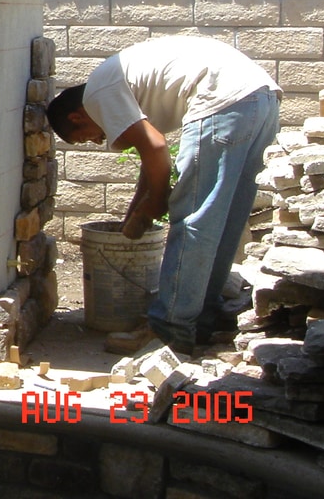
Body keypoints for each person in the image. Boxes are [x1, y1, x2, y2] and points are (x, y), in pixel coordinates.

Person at [46, 36, 281, 353]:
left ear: (77, 117)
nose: (96, 140)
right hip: (260, 98)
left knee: (193, 220)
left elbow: (155, 148)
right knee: (222, 219)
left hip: (222, 99)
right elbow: (151, 156)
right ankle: (202, 320)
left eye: (84, 138)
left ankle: (170, 329)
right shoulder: (125, 88)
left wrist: (156, 202)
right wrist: (138, 208)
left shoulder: (97, 95)